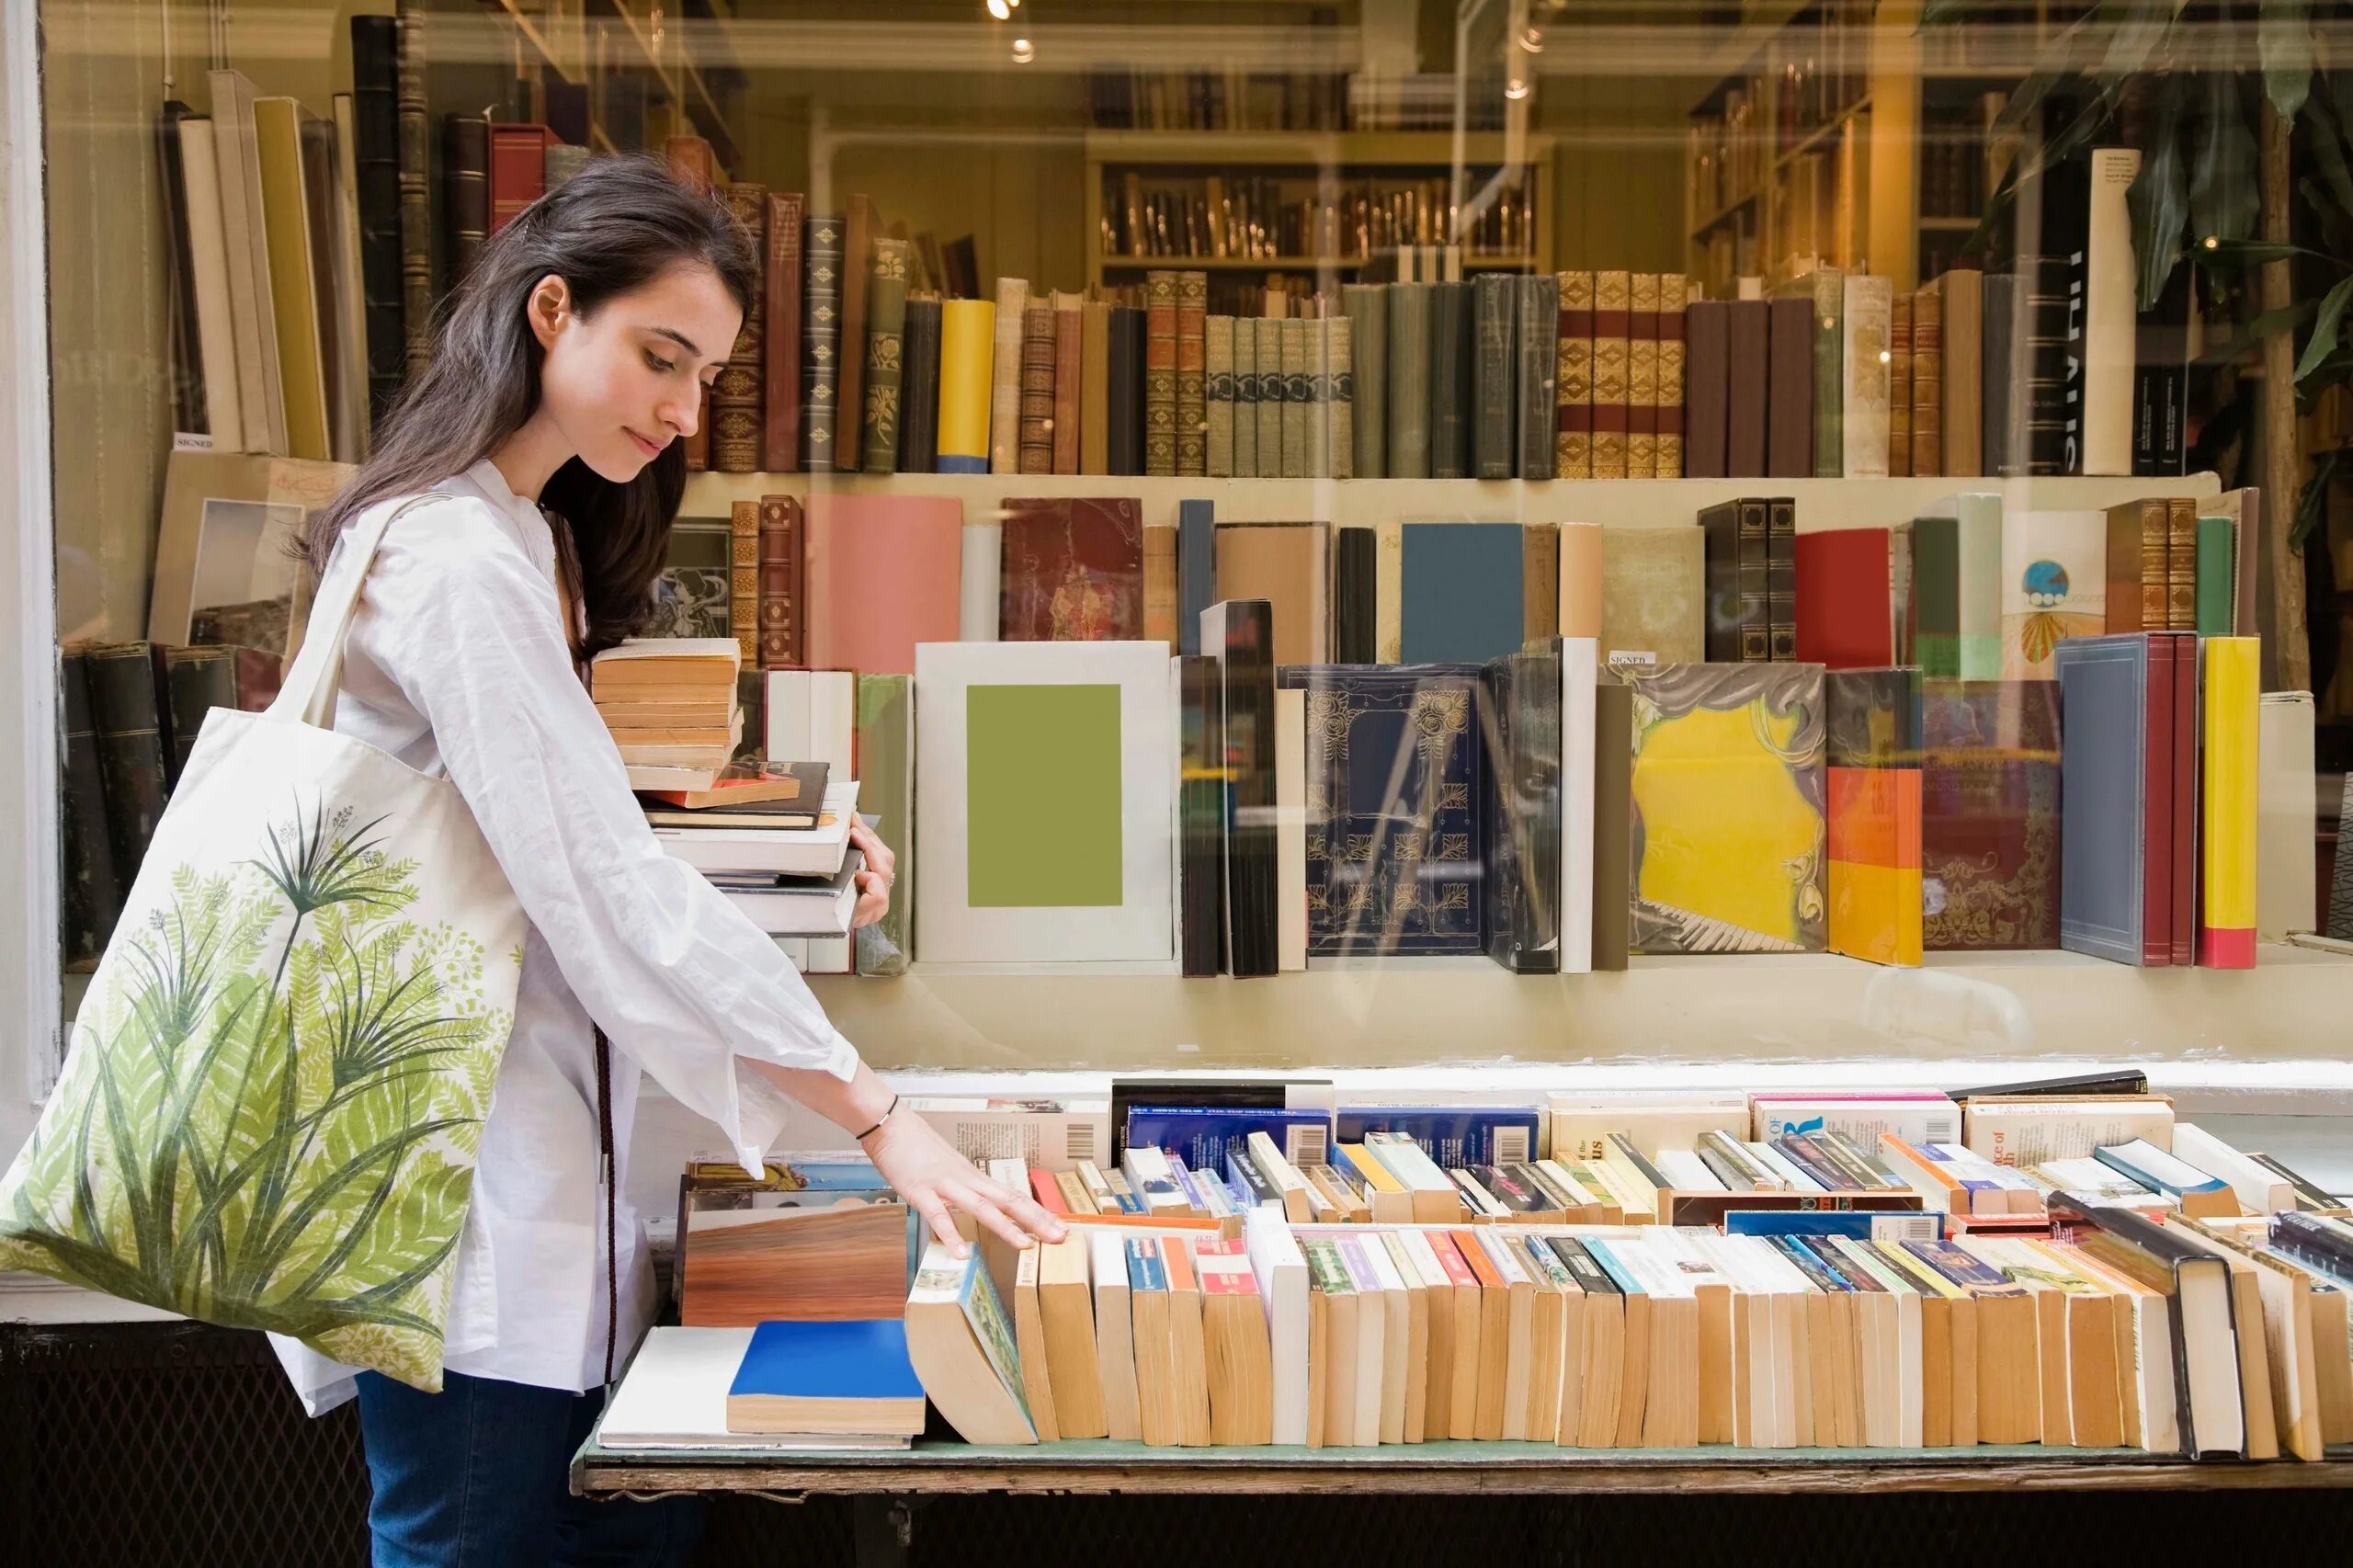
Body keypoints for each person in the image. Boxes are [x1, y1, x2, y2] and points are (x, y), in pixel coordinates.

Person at [275, 156, 1066, 1566]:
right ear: (550, 309)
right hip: (472, 1242)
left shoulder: (521, 539)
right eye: (660, 356)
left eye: (703, 374)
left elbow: (550, 833)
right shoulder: (451, 561)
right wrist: (880, 1118)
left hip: (556, 1238)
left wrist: (802, 855)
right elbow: (599, 888)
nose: (682, 410)